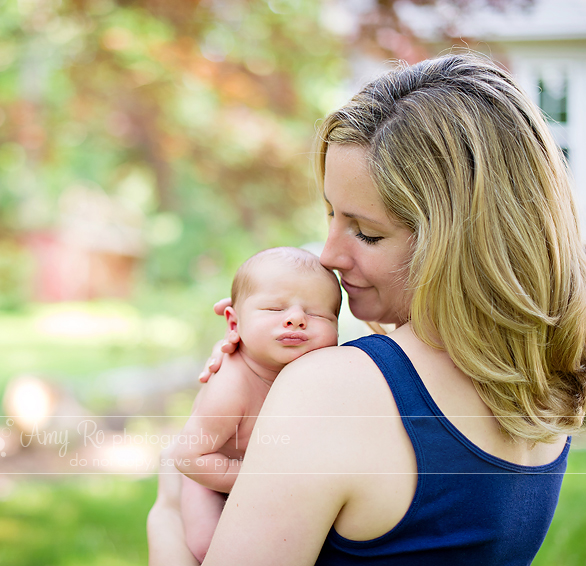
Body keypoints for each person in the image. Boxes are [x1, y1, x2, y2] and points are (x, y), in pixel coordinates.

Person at [147, 52, 586, 566]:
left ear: (462, 243)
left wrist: (169, 504)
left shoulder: (335, 390)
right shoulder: (546, 394)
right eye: (330, 213)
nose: (329, 255)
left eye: (367, 232)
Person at [174, 247, 341, 562]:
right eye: (275, 309)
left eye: (318, 314)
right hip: (210, 474)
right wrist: (257, 478)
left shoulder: (326, 370)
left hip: (271, 474)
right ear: (234, 324)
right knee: (206, 544)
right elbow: (188, 457)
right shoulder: (231, 386)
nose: (296, 318)